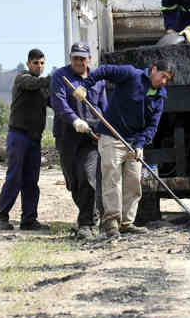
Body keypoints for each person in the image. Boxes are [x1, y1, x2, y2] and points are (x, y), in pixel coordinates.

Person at [72, 60, 173, 238]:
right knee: (112, 180)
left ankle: (127, 223)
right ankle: (111, 224)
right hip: (112, 137)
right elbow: (104, 70)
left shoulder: (159, 97)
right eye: (163, 76)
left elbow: (152, 126)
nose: (164, 81)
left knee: (134, 183)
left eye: (168, 79)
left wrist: (141, 145)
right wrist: (85, 86)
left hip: (134, 144)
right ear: (154, 69)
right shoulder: (131, 74)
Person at [50, 42, 107, 239]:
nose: (79, 62)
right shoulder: (61, 77)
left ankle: (87, 222)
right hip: (68, 135)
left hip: (90, 138)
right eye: (75, 58)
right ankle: (90, 215)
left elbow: (103, 107)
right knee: (73, 181)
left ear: (89, 59)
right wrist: (74, 120)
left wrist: (103, 129)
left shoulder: (97, 80)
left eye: (82, 58)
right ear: (71, 58)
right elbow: (59, 103)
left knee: (87, 175)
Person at [0, 48, 51, 231]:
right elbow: (34, 84)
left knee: (31, 181)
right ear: (28, 64)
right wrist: (55, 79)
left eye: (42, 63)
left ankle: (29, 219)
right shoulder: (23, 79)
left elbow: (55, 102)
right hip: (19, 136)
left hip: (34, 139)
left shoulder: (43, 88)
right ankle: (1, 217)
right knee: (14, 178)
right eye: (35, 63)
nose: (39, 66)